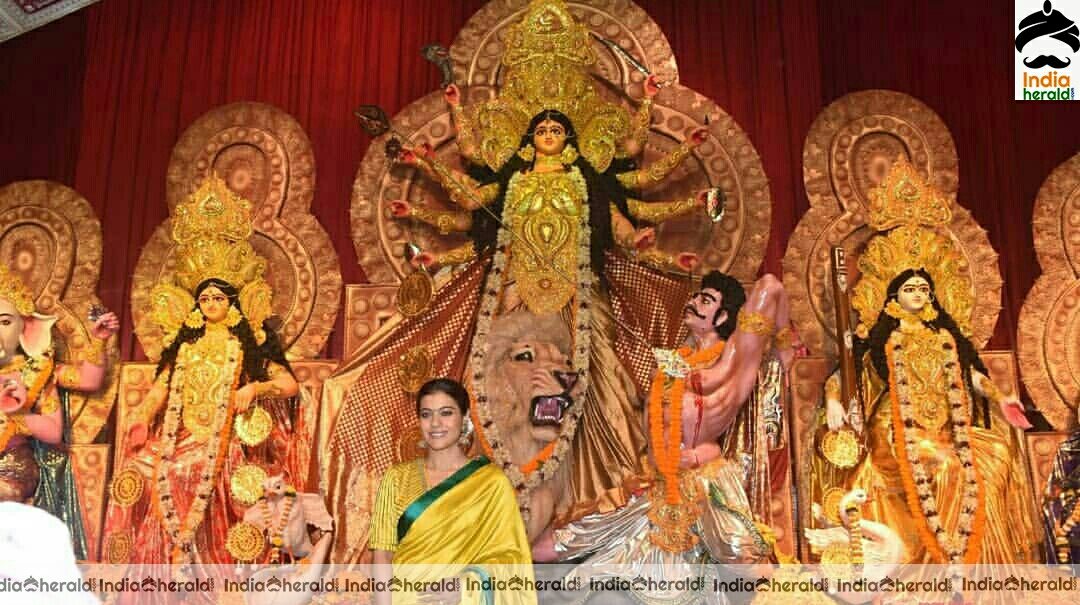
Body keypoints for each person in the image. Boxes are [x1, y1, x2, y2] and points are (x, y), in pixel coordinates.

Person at [101, 175, 301, 604]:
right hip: (178, 438)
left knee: (181, 472)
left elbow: (289, 384)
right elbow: (158, 392)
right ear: (194, 304)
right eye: (204, 298)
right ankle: (155, 584)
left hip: (225, 443)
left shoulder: (248, 347)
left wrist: (256, 390)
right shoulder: (184, 348)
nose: (210, 304)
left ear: (233, 302)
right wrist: (139, 417)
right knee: (140, 471)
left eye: (218, 298)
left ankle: (211, 582)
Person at [369, 378, 534, 605]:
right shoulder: (397, 477)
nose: (435, 423)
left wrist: (468, 587)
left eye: (446, 413)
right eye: (426, 414)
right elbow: (382, 554)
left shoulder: (491, 483)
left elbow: (512, 558)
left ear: (465, 417)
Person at [0, 262, 119, 560]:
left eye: (4, 322)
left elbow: (85, 386)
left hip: (11, 468)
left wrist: (98, 342)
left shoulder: (38, 372)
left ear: (28, 328)